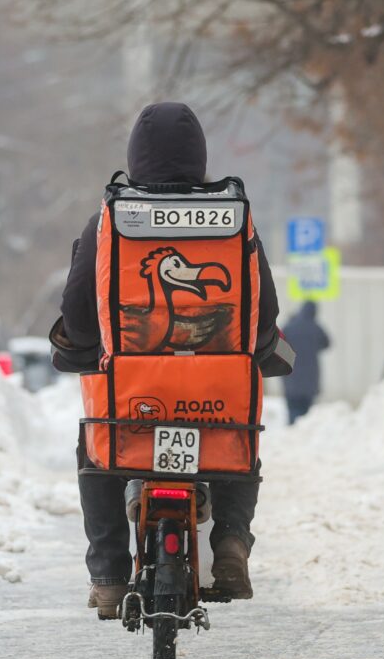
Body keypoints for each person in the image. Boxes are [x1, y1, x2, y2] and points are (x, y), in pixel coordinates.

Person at [51, 102, 283, 619]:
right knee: (240, 438)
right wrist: (260, 348)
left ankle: (110, 574)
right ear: (199, 156)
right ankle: (230, 545)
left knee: (95, 451)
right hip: (215, 392)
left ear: (135, 157)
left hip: (132, 396)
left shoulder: (108, 220)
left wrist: (77, 346)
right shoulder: (234, 217)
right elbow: (262, 309)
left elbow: (78, 310)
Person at [281, 301, 330, 423]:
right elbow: (327, 343)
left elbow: (277, 347)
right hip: (310, 377)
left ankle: (293, 432)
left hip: (290, 374)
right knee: (306, 412)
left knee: (293, 409)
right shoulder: (315, 327)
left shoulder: (289, 327)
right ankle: (302, 432)